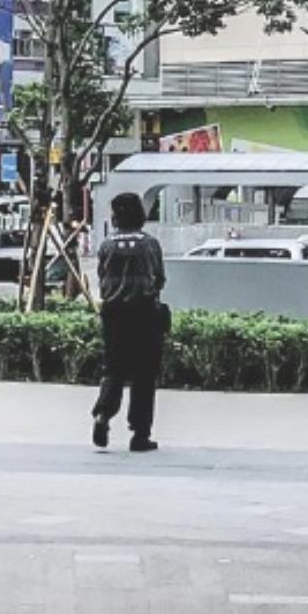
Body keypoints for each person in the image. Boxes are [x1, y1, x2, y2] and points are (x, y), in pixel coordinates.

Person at [92, 191, 170, 452]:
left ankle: (103, 415)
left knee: (113, 369)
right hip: (144, 314)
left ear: (116, 217)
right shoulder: (150, 244)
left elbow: (102, 278)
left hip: (114, 315)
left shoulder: (107, 245)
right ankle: (140, 434)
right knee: (144, 375)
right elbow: (159, 279)